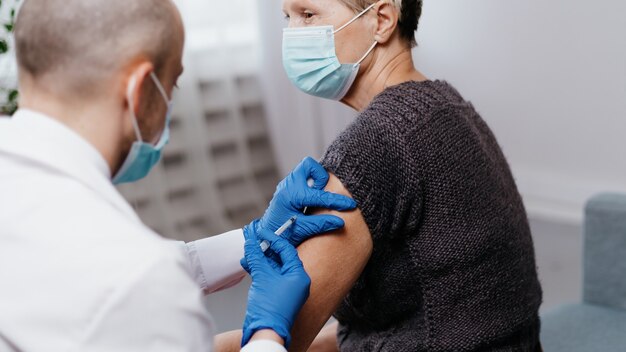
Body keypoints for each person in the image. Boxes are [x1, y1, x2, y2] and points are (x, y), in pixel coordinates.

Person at [0, 0, 358, 351]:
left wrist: (255, 237)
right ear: (139, 90)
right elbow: (129, 278)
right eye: (172, 87)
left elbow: (72, 273)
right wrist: (267, 335)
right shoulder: (142, 279)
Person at [215, 0, 543, 351]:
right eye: (287, 18)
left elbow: (282, 341)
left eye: (308, 15)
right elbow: (377, 332)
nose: (293, 34)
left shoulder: (374, 144)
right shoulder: (447, 104)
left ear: (382, 20)